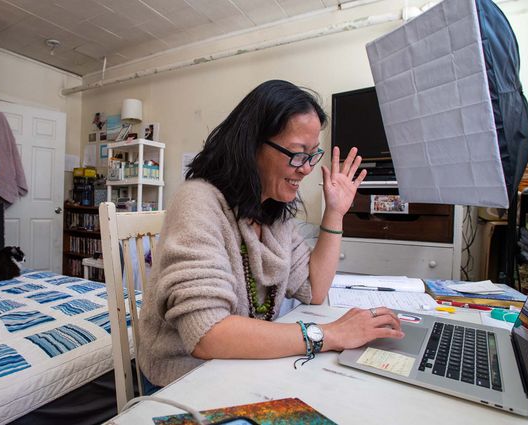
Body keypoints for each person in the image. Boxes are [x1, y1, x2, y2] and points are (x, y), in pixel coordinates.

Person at [137, 79, 404, 392]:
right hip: (184, 377)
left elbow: (314, 289)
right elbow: (207, 333)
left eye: (312, 155)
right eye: (297, 153)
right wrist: (328, 334)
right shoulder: (198, 201)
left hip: (238, 365)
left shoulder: (273, 211)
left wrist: (335, 212)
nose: (306, 169)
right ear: (251, 145)